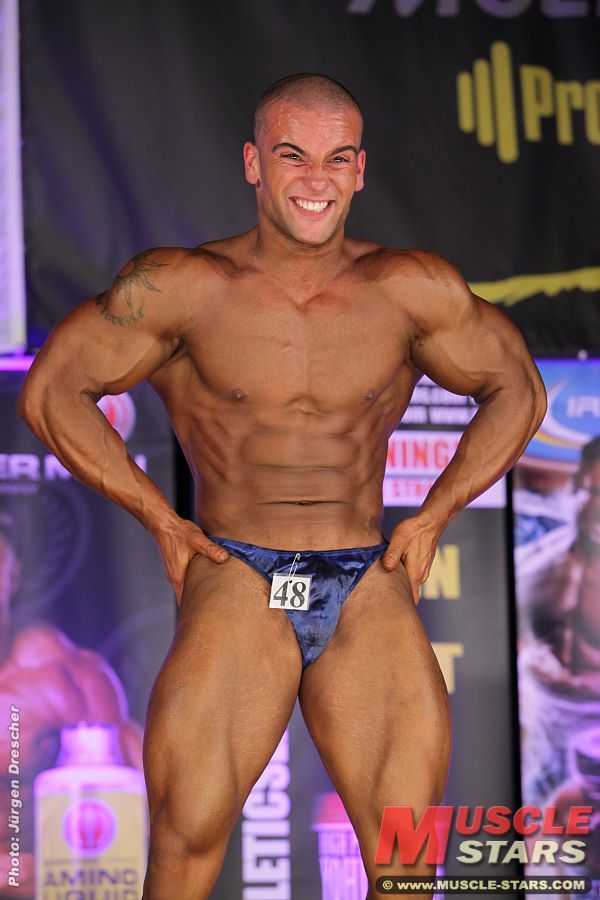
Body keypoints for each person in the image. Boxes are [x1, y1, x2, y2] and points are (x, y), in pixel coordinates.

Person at [18, 73, 546, 900]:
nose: (315, 179)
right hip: (238, 572)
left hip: (363, 578)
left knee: (409, 861)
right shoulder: (184, 287)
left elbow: (519, 389)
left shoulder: (408, 290)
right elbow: (53, 391)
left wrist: (434, 514)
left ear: (361, 170)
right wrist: (161, 519)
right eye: (292, 155)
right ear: (253, 163)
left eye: (337, 158)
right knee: (186, 843)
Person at [0, 512, 143, 899]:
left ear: (12, 576)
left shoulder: (58, 673)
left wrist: (65, 861)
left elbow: (137, 800)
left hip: (36, 880)